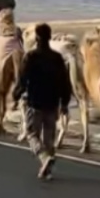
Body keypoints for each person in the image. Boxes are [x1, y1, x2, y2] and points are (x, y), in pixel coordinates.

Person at [12, 23, 72, 180]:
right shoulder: (57, 58)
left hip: (35, 103)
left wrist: (15, 95)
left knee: (32, 134)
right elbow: (65, 83)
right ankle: (47, 170)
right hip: (52, 104)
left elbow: (22, 79)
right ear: (50, 37)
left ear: (36, 38)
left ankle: (44, 158)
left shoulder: (31, 57)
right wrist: (65, 103)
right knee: (49, 139)